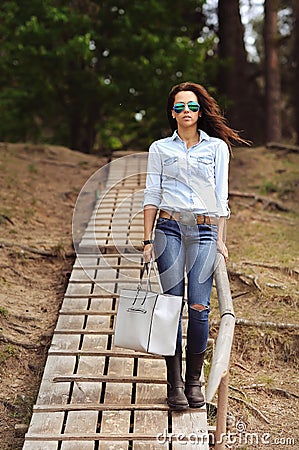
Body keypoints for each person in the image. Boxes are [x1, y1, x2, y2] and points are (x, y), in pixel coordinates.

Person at [142, 82, 248, 410]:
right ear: (171, 112)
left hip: (203, 232)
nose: (185, 112)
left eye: (191, 106)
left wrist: (220, 241)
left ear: (199, 111)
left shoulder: (216, 149)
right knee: (172, 306)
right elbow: (151, 195)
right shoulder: (160, 149)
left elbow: (220, 198)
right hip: (168, 230)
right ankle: (173, 384)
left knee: (200, 307)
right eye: (179, 107)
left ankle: (193, 382)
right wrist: (147, 240)